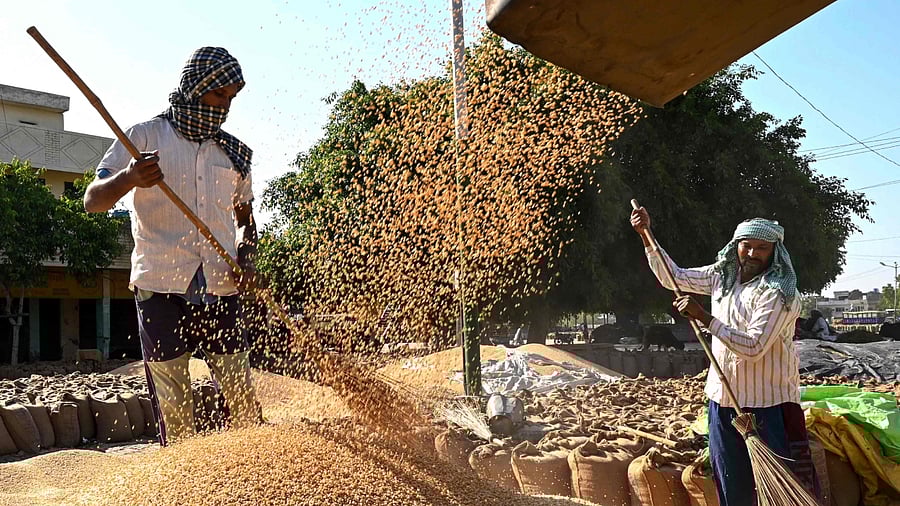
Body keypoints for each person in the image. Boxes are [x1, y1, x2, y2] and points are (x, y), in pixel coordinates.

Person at [84, 47, 260, 446]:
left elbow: (247, 224)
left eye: (232, 98)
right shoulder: (144, 136)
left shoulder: (235, 154)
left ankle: (255, 466)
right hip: (160, 286)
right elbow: (93, 201)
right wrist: (129, 177)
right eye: (219, 96)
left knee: (240, 393)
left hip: (220, 286)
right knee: (173, 399)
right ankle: (181, 477)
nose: (225, 107)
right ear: (198, 87)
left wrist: (247, 257)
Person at [630, 207, 819, 506]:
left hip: (768, 406)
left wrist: (704, 317)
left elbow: (754, 347)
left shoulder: (778, 293)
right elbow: (674, 277)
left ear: (775, 252)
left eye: (762, 248)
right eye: (747, 246)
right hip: (723, 401)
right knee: (730, 483)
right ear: (737, 246)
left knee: (781, 487)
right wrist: (646, 236)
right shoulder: (722, 276)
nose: (753, 253)